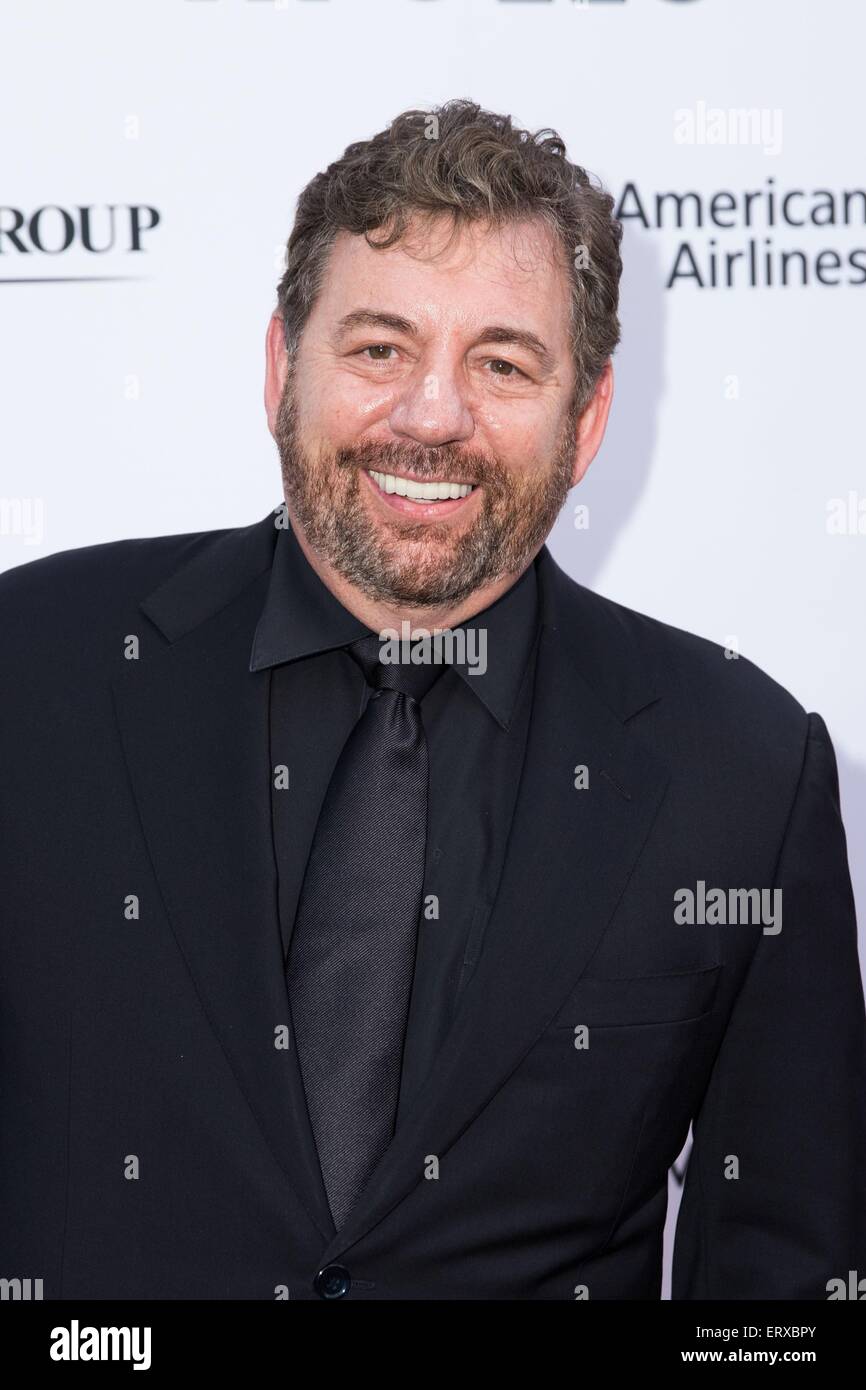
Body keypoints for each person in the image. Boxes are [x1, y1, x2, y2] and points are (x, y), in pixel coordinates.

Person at [1, 100, 863, 1301]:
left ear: (588, 420)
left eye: (501, 364)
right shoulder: (32, 669)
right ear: (278, 368)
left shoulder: (742, 769)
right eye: (377, 348)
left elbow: (781, 1279)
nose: (429, 416)